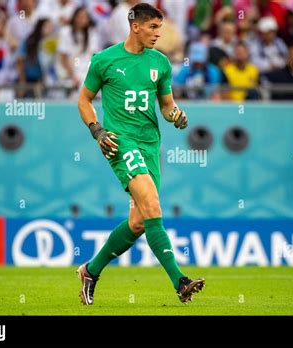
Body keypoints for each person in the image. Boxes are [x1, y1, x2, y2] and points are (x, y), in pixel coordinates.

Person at [76, 2, 205, 305]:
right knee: (153, 205)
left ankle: (90, 271)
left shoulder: (160, 63)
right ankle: (180, 281)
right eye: (153, 27)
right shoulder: (104, 60)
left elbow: (167, 105)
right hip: (120, 141)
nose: (159, 34)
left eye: (160, 27)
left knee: (138, 222)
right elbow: (84, 100)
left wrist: (176, 116)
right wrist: (97, 130)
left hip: (150, 144)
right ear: (136, 26)